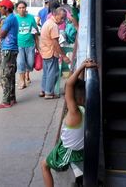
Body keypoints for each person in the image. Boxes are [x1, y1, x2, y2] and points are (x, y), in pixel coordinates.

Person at [41, 59, 98, 187]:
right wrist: (83, 70)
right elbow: (78, 86)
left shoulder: (74, 113)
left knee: (44, 165)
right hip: (77, 146)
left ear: (74, 99)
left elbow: (69, 85)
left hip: (69, 151)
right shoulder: (84, 108)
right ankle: (79, 176)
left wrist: (82, 66)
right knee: (60, 144)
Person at [39, 7, 71, 99]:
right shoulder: (53, 26)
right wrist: (64, 56)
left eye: (64, 18)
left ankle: (44, 90)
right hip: (51, 52)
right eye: (62, 18)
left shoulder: (47, 22)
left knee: (46, 73)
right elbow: (56, 43)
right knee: (53, 73)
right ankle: (49, 93)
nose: (63, 20)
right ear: (55, 15)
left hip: (45, 52)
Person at [0, 0, 19, 109]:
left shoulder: (9, 19)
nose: (0, 9)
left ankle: (6, 101)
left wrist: (0, 25)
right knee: (10, 75)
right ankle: (12, 98)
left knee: (5, 76)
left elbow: (2, 34)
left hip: (8, 49)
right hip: (12, 48)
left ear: (6, 8)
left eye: (1, 7)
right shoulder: (13, 18)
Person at [16, 1, 39, 89]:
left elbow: (35, 32)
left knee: (30, 63)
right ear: (17, 9)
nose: (22, 9)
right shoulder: (15, 18)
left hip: (30, 44)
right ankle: (22, 81)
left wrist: (37, 45)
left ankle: (27, 74)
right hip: (19, 45)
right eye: (20, 8)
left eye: (23, 7)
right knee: (20, 62)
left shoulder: (31, 18)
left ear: (26, 9)